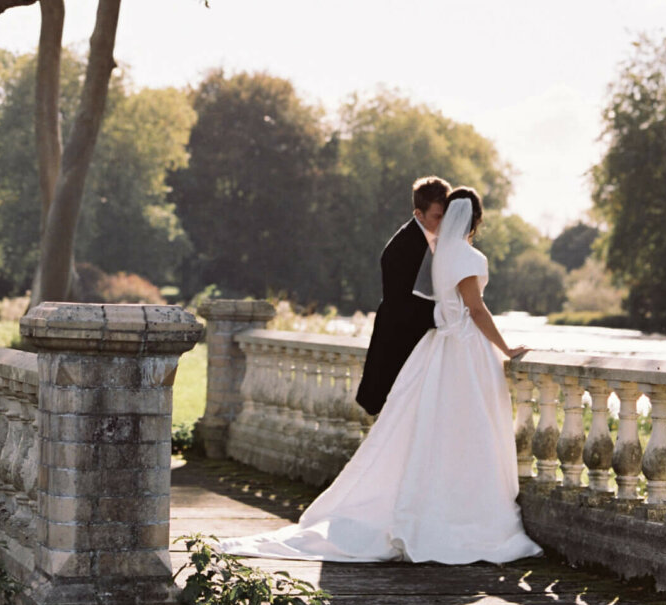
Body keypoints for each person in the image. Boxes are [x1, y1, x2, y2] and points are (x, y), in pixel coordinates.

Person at [216, 188, 541, 564]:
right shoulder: (468, 257)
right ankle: (459, 512)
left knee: (433, 430)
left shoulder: (438, 257)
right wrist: (506, 348)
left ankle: (433, 505)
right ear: (476, 220)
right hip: (465, 350)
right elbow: (477, 310)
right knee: (466, 429)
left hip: (437, 349)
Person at [354, 176, 449, 416]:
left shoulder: (436, 240)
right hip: (398, 347)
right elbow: (404, 307)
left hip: (421, 347)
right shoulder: (400, 249)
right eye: (438, 216)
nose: (444, 222)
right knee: (397, 418)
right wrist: (448, 315)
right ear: (419, 214)